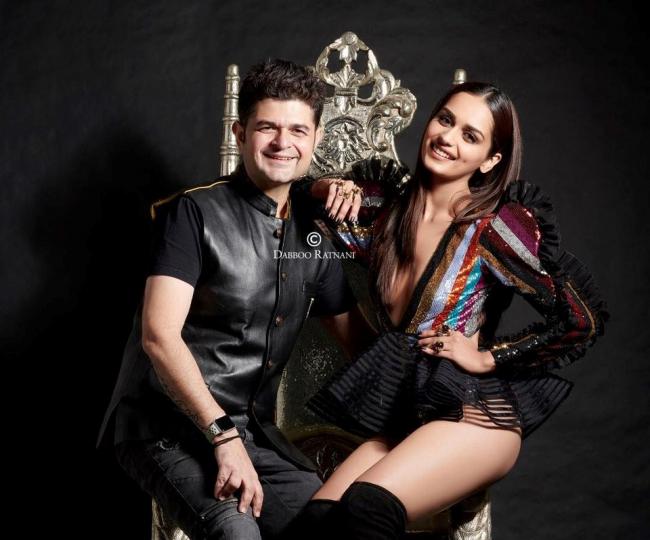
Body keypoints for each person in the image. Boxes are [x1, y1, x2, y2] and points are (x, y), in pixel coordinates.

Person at [286, 81, 609, 539]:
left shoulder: (494, 228)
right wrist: (325, 184)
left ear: (490, 161)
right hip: (411, 416)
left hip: (476, 417)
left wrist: (488, 357)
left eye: (470, 136)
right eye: (445, 120)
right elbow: (289, 202)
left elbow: (580, 319)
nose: (448, 138)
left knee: (366, 509)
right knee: (315, 526)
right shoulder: (384, 211)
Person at [96, 58, 373, 540]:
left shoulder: (313, 234)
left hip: (254, 433)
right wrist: (222, 436)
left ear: (316, 138)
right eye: (267, 128)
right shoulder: (193, 213)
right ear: (240, 133)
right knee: (236, 532)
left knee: (335, 529)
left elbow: (361, 346)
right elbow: (158, 337)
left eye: (297, 130)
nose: (283, 143)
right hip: (164, 424)